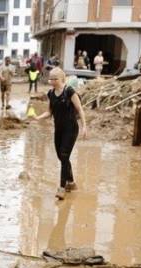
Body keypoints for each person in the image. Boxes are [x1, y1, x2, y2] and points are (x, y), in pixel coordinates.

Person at [33, 67, 88, 200]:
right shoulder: (51, 93)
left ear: (62, 79)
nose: (51, 81)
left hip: (71, 128)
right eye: (50, 78)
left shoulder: (69, 91)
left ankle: (62, 188)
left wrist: (84, 126)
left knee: (64, 155)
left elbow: (80, 109)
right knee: (61, 156)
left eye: (54, 79)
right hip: (59, 129)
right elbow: (49, 112)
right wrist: (38, 118)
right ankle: (72, 182)